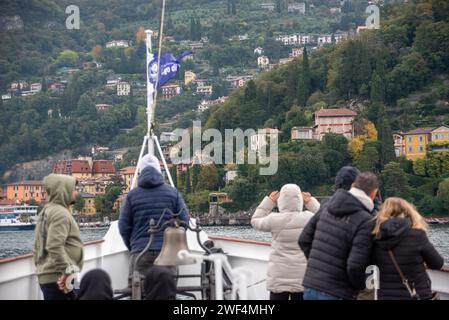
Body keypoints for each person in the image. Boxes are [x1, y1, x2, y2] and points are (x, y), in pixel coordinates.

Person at [299, 172, 379, 300]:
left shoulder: (326, 205)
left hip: (311, 285)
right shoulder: (365, 220)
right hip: (338, 290)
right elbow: (355, 265)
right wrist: (358, 286)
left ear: (354, 185)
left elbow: (304, 239)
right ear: (373, 193)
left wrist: (318, 267)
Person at [119, 154, 190, 283]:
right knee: (166, 291)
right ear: (159, 171)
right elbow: (184, 221)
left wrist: (134, 247)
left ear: (140, 172)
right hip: (167, 253)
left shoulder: (131, 196)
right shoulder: (173, 193)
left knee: (138, 291)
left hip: (140, 252)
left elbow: (123, 227)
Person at [251, 184, 320, 300]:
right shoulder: (309, 218)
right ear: (300, 200)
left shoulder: (274, 219)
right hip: (302, 277)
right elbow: (326, 217)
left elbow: (255, 221)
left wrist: (269, 201)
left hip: (278, 277)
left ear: (281, 200)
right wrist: (310, 201)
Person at [371, 197, 444, 300]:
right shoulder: (417, 235)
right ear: (408, 211)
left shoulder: (375, 238)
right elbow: (437, 263)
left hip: (385, 296)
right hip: (416, 294)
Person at [33, 174, 84, 300]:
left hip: (52, 276)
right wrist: (67, 271)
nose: (76, 193)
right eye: (73, 189)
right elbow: (54, 245)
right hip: (59, 277)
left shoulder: (49, 210)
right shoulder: (59, 213)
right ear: (63, 192)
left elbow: (39, 246)